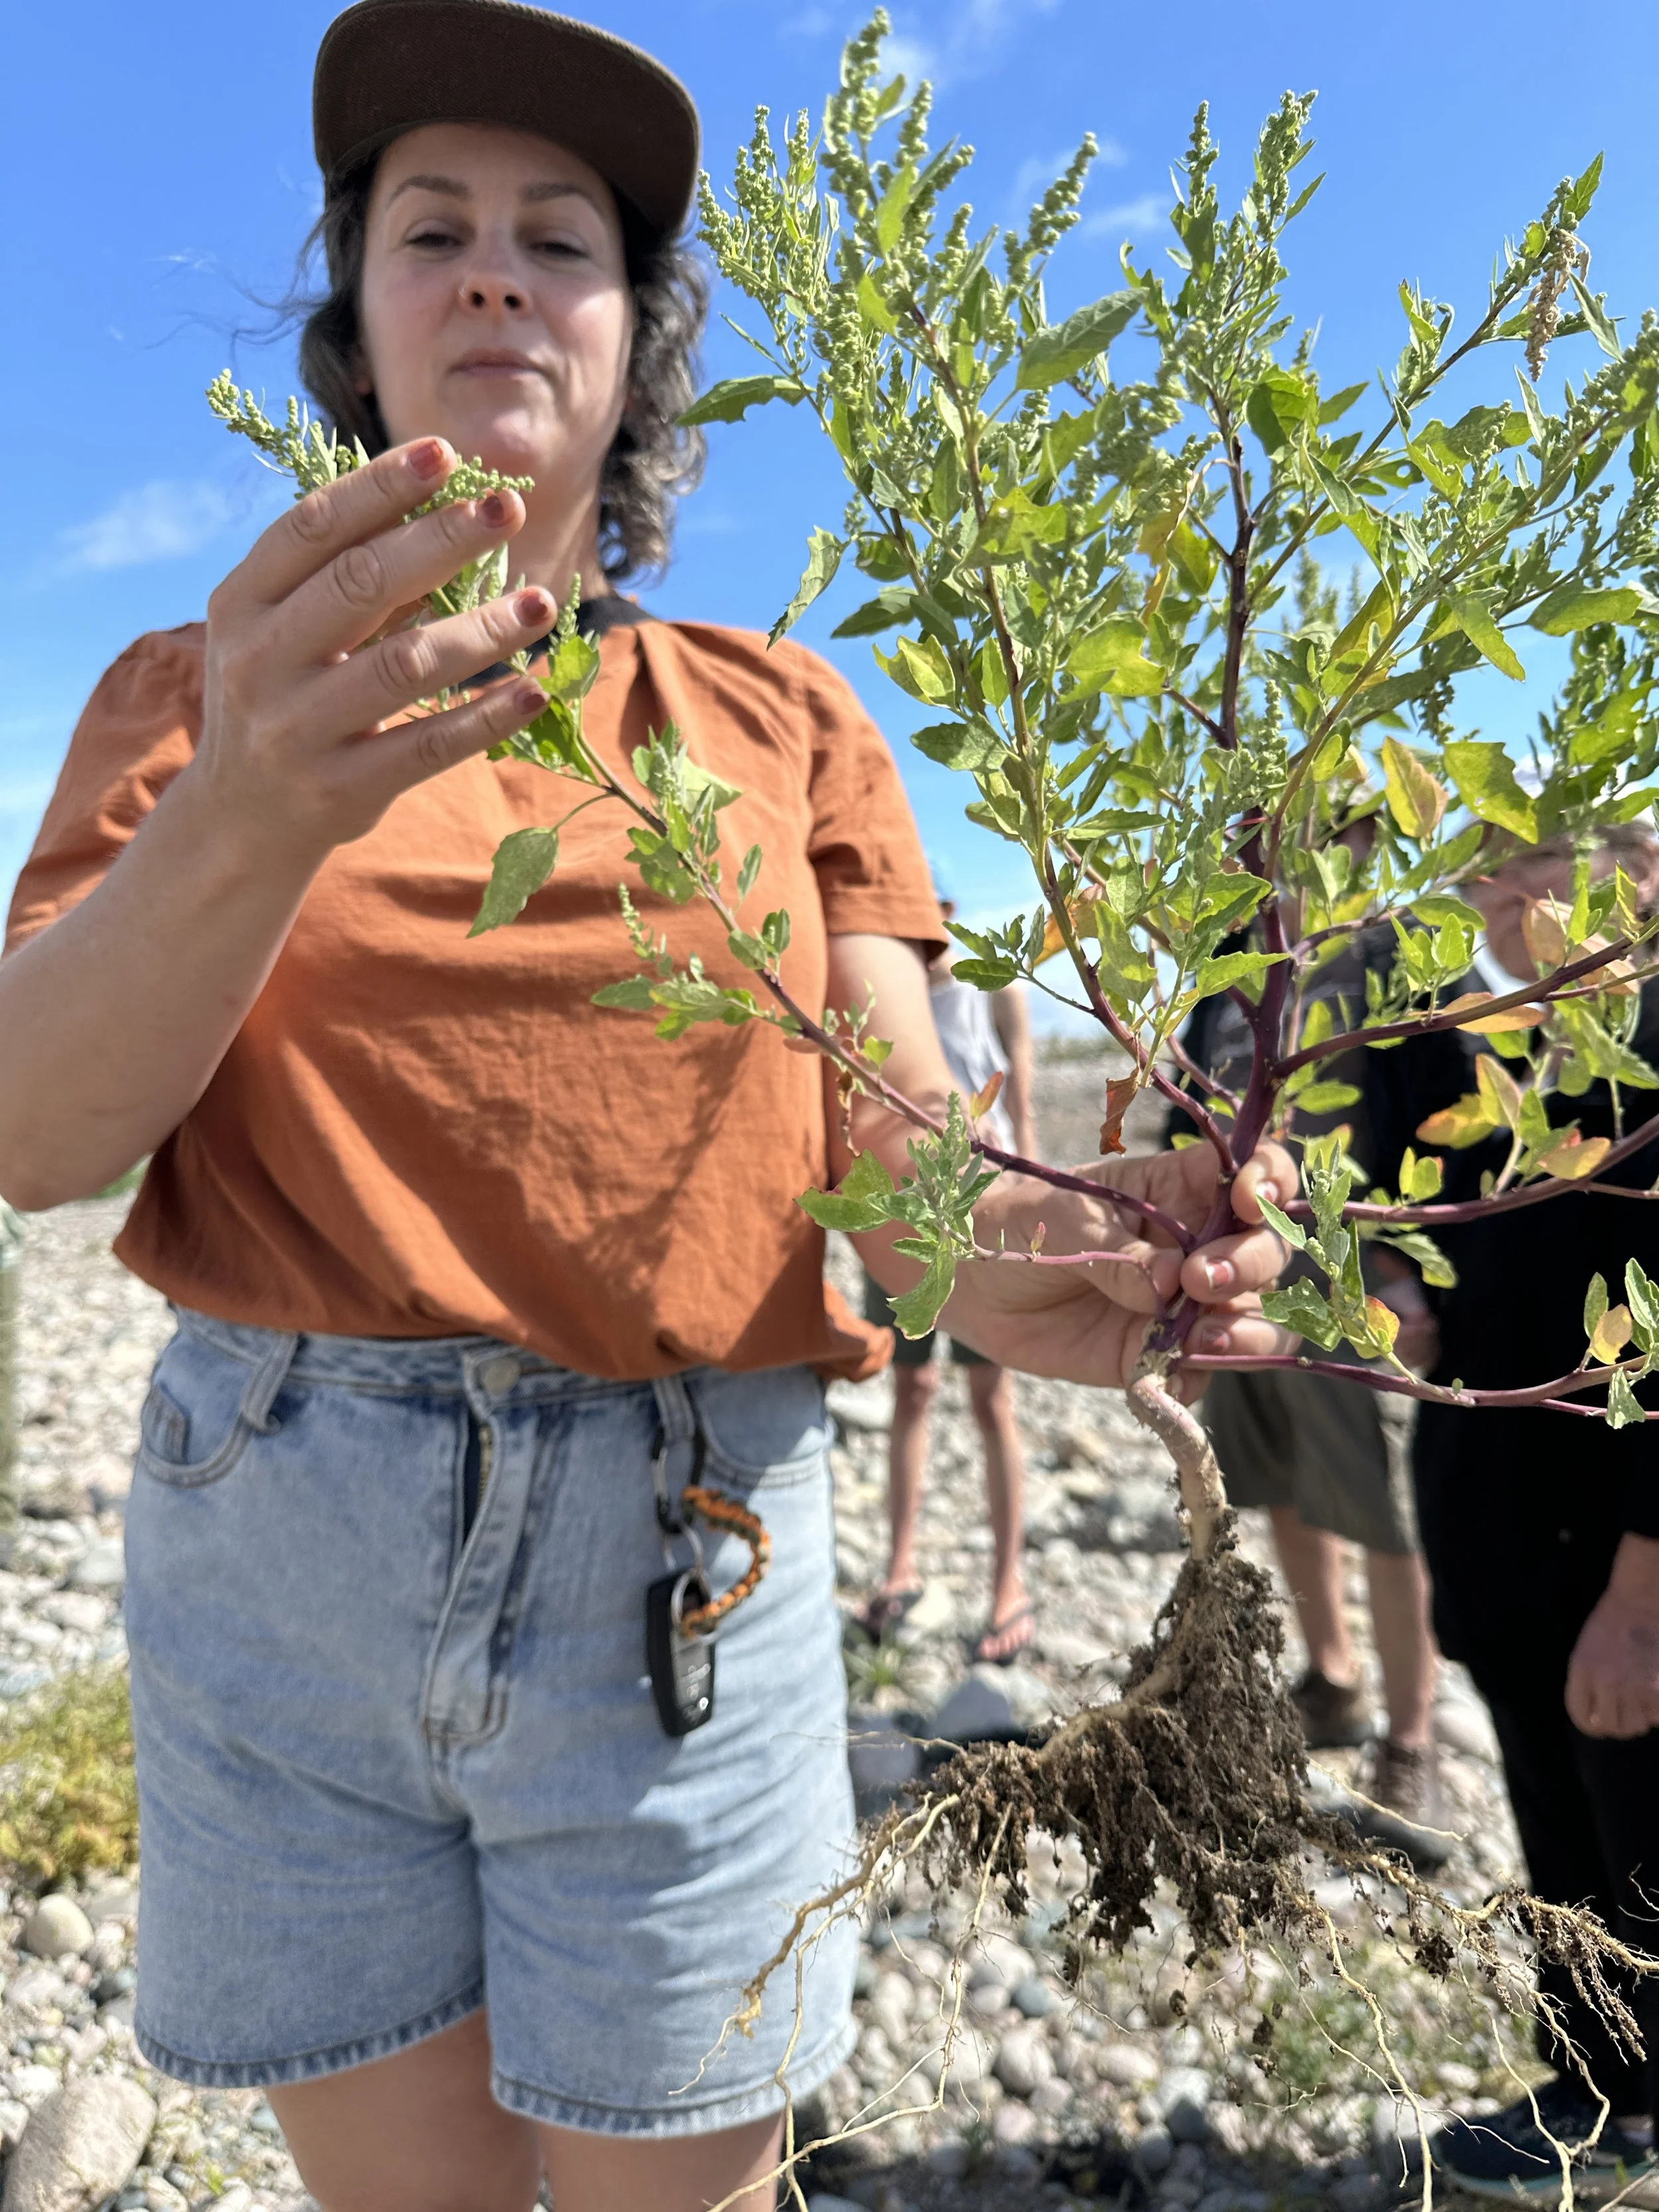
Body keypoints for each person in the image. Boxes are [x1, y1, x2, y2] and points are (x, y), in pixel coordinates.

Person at [0, 8, 1294, 2209]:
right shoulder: (200, 697)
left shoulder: (786, 718)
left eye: (557, 238)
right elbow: (37, 1136)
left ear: (636, 338)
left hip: (690, 1556)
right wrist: (240, 818)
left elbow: (898, 1174)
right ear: (359, 324)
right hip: (285, 1540)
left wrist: (1027, 1263)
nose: (497, 272)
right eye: (436, 230)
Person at [1417, 827, 1659, 2197]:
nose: (1499, 904)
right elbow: (1481, 1266)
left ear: (1633, 870)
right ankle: (1589, 2096)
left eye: (1532, 868)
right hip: (1509, 1544)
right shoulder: (1516, 1057)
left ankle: (1634, 2118)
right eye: (1481, 878)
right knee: (1559, 1826)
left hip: (1613, 1559)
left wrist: (1640, 1600)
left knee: (1637, 1836)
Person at [1173, 922, 1465, 1858]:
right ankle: (1333, 1680)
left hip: (1356, 1270)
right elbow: (1189, 1116)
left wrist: (1405, 1262)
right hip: (1248, 1270)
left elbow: (1445, 1113)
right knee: (1283, 1481)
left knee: (1385, 1510)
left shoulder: (1396, 958)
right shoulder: (1226, 959)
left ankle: (1410, 1742)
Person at [859, 891, 1038, 1662]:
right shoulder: (878, 966)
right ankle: (899, 1563)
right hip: (902, 1189)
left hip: (979, 1179)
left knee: (990, 1394)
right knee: (912, 1386)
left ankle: (1009, 1581)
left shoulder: (977, 957)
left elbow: (1016, 1046)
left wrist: (1028, 1152)